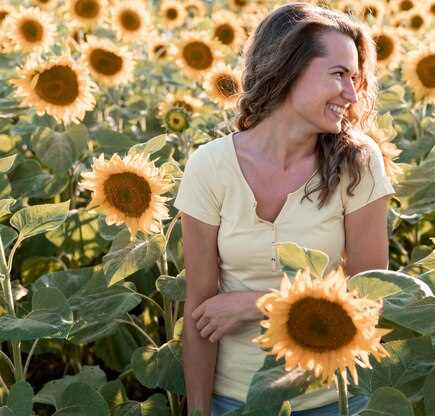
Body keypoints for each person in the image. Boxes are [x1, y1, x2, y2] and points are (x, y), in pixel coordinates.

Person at [174, 2, 396, 415]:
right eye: (338, 75)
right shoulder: (211, 165)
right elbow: (199, 310)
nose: (351, 94)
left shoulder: (357, 162)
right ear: (288, 69)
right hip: (233, 400)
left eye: (355, 78)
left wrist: (259, 304)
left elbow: (371, 291)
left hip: (334, 396)